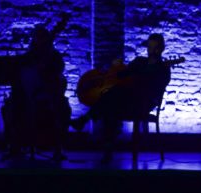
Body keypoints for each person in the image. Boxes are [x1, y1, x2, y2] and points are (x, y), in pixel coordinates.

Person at [71, 33, 172, 161]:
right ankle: (107, 148)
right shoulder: (139, 61)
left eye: (155, 48)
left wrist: (148, 74)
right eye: (149, 47)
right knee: (111, 104)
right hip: (126, 100)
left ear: (162, 49)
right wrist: (115, 66)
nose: (151, 51)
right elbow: (122, 74)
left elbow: (155, 90)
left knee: (113, 97)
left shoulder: (163, 69)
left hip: (143, 104)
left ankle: (86, 121)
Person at [2, 25, 70, 159]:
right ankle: (14, 145)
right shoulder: (28, 57)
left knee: (63, 110)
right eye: (36, 39)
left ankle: (58, 148)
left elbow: (58, 77)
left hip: (48, 95)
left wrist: (45, 71)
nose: (39, 42)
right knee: (8, 108)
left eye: (42, 38)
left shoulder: (55, 57)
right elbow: (18, 74)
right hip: (28, 96)